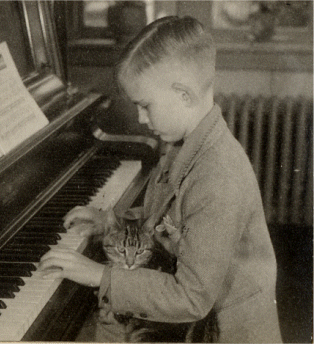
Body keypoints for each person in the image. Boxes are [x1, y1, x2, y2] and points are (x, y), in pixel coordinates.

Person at [38, 16, 282, 343]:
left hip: (226, 332)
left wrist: (101, 275)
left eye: (145, 106)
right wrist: (110, 221)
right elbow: (173, 222)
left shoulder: (218, 176)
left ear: (182, 94)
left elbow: (190, 298)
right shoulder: (184, 143)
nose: (140, 118)